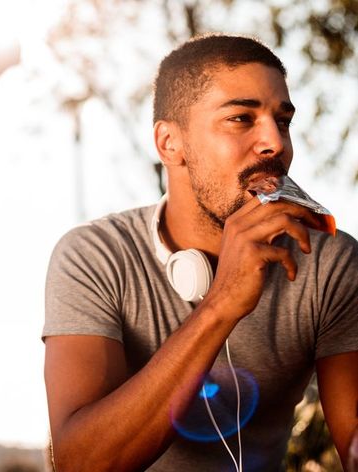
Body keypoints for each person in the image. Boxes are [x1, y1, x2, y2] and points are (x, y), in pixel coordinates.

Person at [42, 33, 358, 471]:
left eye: (282, 122)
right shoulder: (94, 256)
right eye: (241, 119)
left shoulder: (329, 262)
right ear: (170, 144)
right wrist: (221, 305)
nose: (275, 143)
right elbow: (79, 464)